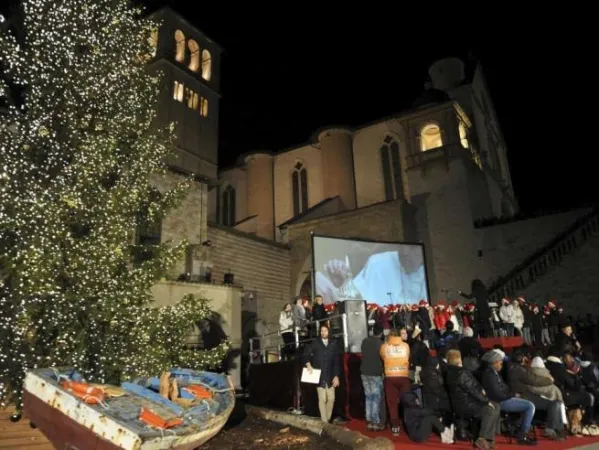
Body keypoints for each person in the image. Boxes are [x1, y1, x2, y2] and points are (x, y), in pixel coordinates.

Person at [445, 349, 501, 450]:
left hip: (461, 403)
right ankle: (483, 439)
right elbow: (473, 391)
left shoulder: (450, 372)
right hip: (467, 404)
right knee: (491, 409)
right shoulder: (461, 373)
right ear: (459, 359)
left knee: (496, 406)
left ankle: (488, 440)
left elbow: (473, 385)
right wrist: (486, 401)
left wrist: (481, 389)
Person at [480, 350, 536, 445]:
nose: (501, 363)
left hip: (503, 398)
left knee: (527, 401)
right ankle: (523, 434)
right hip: (501, 401)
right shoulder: (490, 375)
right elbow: (498, 394)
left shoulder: (493, 373)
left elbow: (503, 388)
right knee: (530, 406)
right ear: (494, 363)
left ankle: (519, 428)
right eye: (499, 361)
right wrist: (512, 395)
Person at [507, 350, 566, 440]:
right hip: (525, 396)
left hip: (527, 395)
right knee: (553, 403)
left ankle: (557, 428)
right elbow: (534, 380)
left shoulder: (513, 368)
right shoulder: (519, 370)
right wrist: (549, 380)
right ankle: (551, 429)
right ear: (522, 359)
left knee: (556, 403)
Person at [304, 324, 341, 423]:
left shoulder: (334, 344)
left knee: (331, 399)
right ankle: (325, 422)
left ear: (329, 332)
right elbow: (306, 354)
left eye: (325, 331)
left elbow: (337, 361)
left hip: (330, 376)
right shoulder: (316, 343)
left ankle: (327, 418)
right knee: (322, 399)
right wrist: (308, 364)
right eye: (321, 331)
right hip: (319, 377)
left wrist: (336, 376)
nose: (323, 332)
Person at [380, 328, 411, 436]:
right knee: (406, 401)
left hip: (390, 377)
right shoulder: (405, 346)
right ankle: (409, 424)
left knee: (392, 403)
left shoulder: (385, 347)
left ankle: (395, 426)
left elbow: (382, 357)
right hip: (403, 376)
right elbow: (407, 357)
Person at [360, 324, 385, 431]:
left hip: (364, 372)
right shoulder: (380, 344)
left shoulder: (365, 341)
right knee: (376, 397)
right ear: (381, 333)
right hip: (375, 373)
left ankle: (369, 420)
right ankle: (375, 421)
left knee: (368, 396)